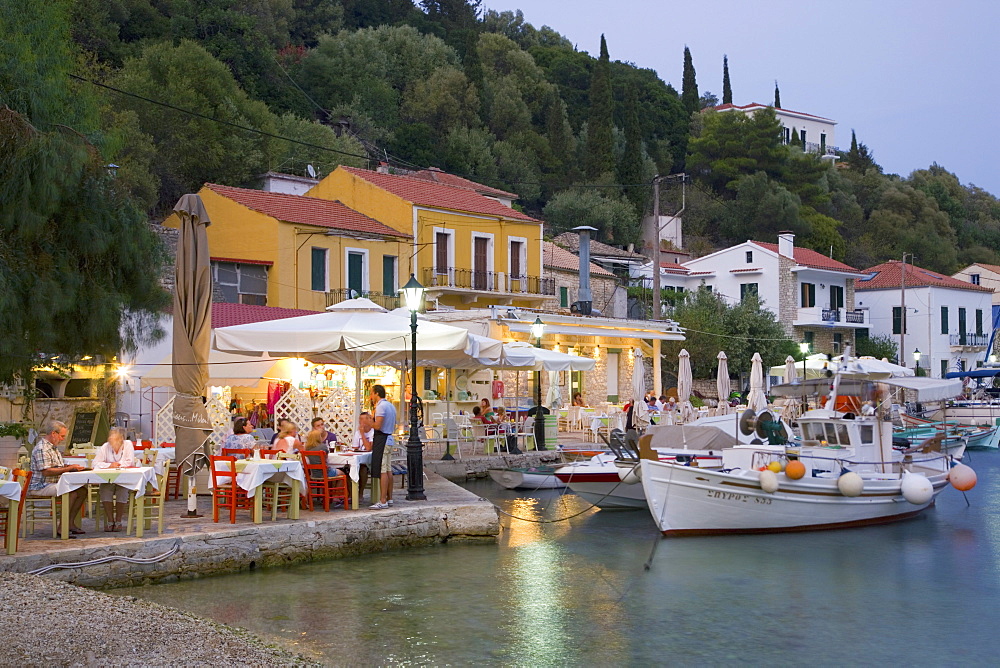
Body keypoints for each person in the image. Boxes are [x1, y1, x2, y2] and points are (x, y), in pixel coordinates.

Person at [28, 420, 88, 536]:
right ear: (53, 433)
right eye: (61, 436)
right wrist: (68, 469)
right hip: (41, 485)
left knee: (82, 491)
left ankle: (70, 523)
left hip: (52, 482)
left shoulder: (53, 448)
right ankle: (62, 527)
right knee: (71, 492)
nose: (62, 439)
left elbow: (57, 467)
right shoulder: (42, 448)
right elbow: (46, 471)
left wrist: (71, 468)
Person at [93, 427, 136, 532]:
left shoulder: (128, 445)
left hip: (123, 478)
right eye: (110, 437)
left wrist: (118, 465)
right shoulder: (105, 446)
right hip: (108, 478)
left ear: (121, 438)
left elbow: (129, 462)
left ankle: (118, 520)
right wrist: (109, 465)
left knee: (122, 490)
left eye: (114, 438)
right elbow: (95, 463)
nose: (111, 440)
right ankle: (110, 520)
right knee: (105, 489)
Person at [369, 384, 396, 510]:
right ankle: (389, 498)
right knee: (388, 469)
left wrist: (368, 421)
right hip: (389, 438)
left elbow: (378, 425)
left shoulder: (381, 407)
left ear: (377, 394)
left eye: (372, 393)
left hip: (383, 439)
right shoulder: (391, 406)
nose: (371, 396)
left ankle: (383, 500)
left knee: (383, 470)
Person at [350, 411, 375, 497]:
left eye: (363, 420)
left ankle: (360, 493)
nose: (360, 422)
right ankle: (351, 494)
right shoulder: (357, 433)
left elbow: (369, 448)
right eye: (360, 420)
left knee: (363, 469)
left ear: (369, 420)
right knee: (346, 469)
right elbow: (355, 448)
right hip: (359, 457)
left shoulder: (373, 432)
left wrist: (362, 434)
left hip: (370, 460)